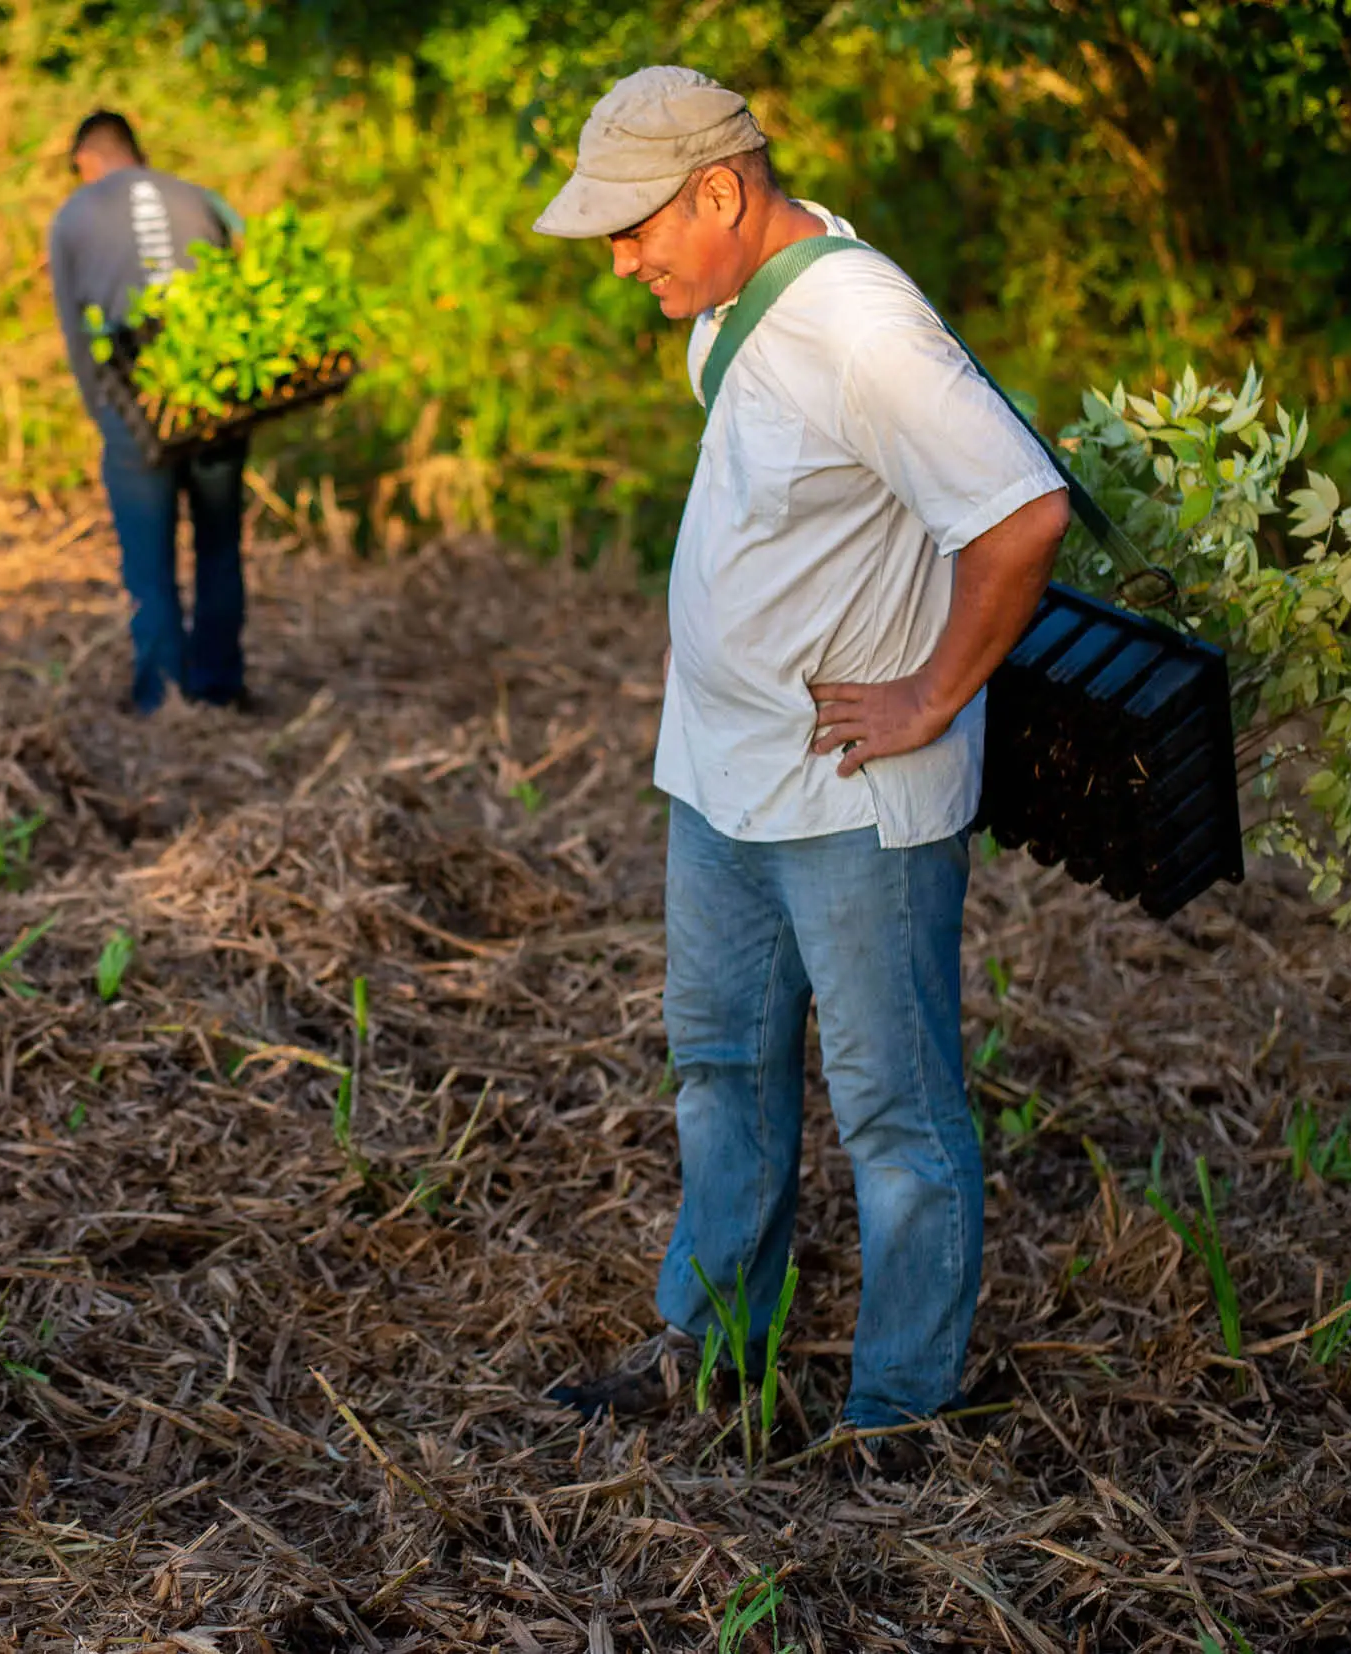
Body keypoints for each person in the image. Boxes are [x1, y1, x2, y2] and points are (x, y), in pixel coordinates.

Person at [531, 68, 1071, 1463]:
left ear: (718, 191)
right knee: (719, 1068)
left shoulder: (861, 323)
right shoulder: (730, 304)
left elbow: (1017, 513)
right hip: (719, 779)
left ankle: (897, 1409)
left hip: (846, 799)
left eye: (633, 226)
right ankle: (710, 1348)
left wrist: (929, 694)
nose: (619, 258)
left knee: (891, 1109)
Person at [48, 109, 253, 714]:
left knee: (149, 559)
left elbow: (74, 334)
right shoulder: (200, 198)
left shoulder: (74, 215)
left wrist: (104, 415)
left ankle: (163, 697)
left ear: (88, 158)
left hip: (134, 402)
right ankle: (219, 688)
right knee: (218, 546)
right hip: (215, 397)